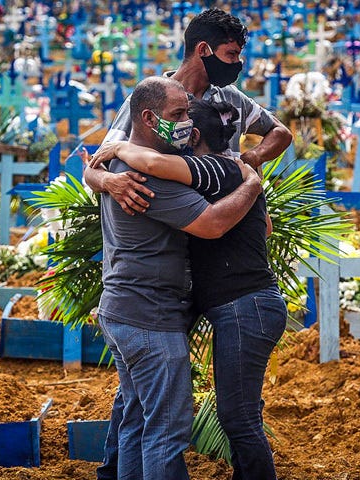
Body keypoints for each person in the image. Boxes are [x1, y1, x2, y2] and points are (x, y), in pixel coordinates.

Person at [90, 99, 287, 479]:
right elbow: (264, 229)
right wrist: (251, 187)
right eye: (175, 114)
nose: (179, 124)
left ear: (194, 135)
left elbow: (160, 172)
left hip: (244, 305)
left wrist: (118, 148)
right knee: (174, 423)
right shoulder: (226, 172)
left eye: (184, 117)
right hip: (208, 306)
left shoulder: (211, 168)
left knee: (237, 418)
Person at [81, 8, 292, 216]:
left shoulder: (231, 98)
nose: (237, 64)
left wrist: (252, 157)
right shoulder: (150, 99)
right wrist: (109, 181)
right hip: (175, 225)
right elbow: (94, 168)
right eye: (231, 54)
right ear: (203, 50)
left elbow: (280, 132)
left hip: (227, 222)